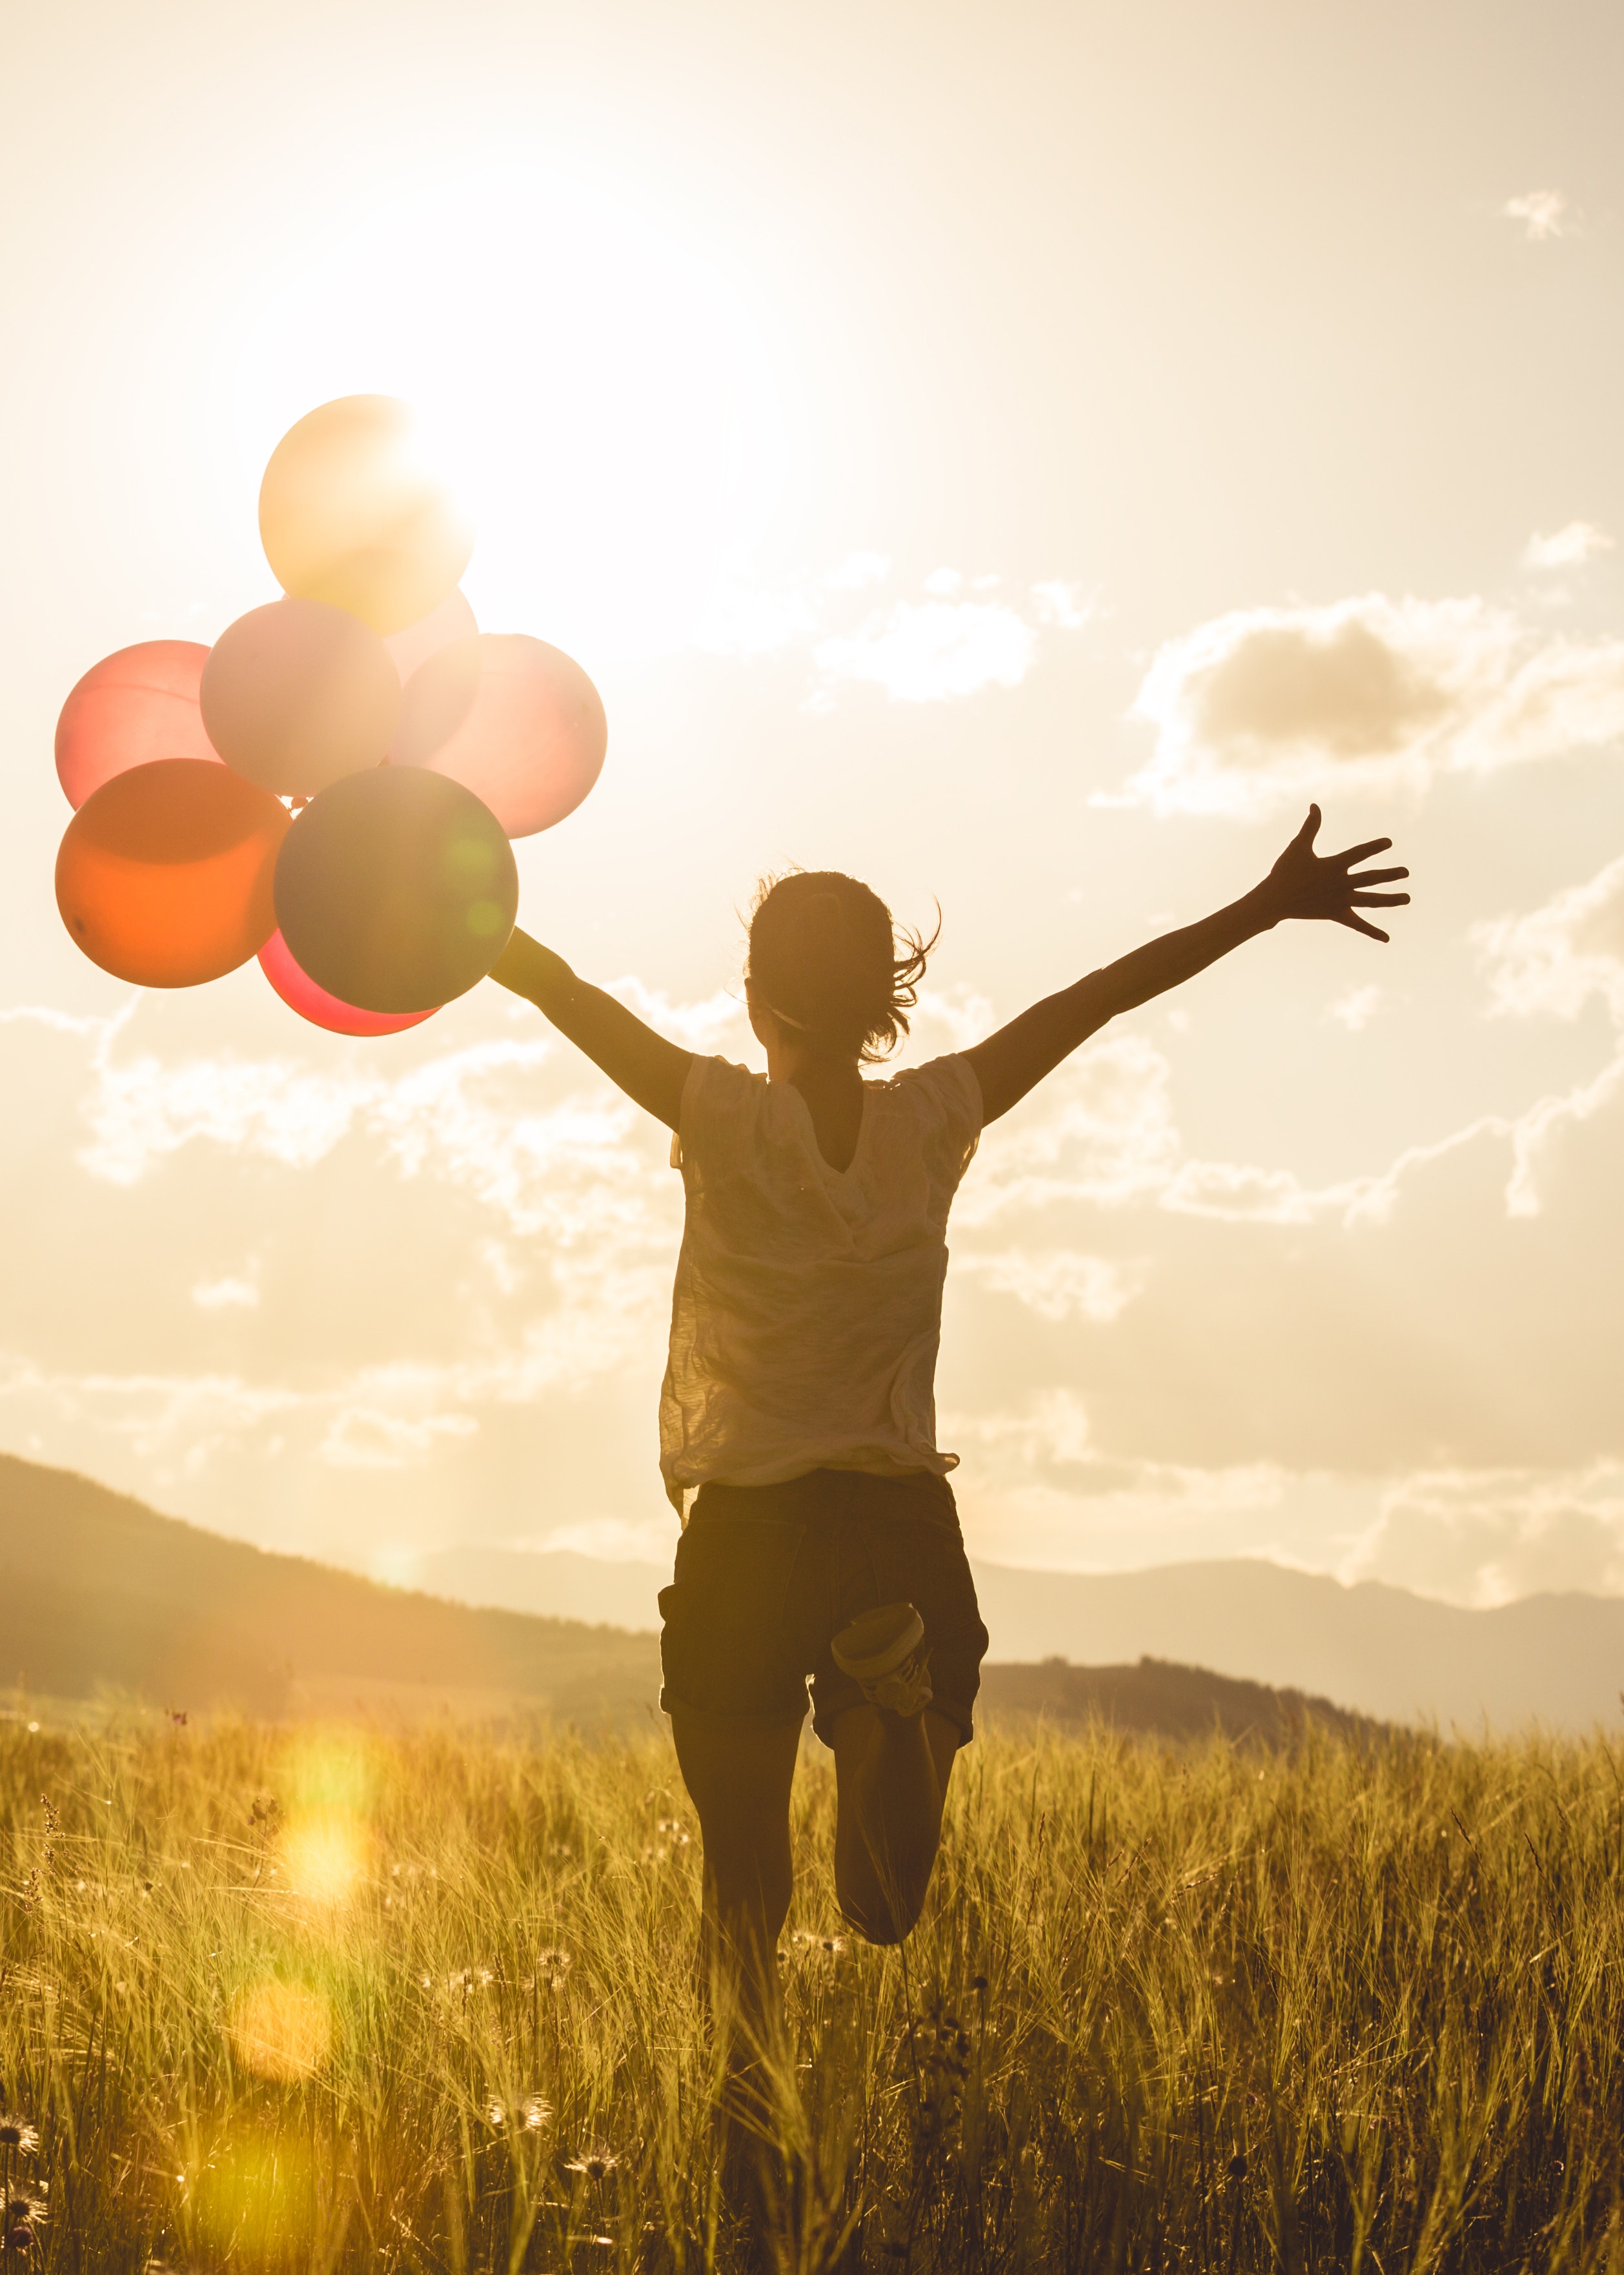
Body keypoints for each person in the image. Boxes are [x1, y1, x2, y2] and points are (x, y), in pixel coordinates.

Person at [485, 803, 1407, 2236]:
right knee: (888, 1907)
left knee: (745, 1913)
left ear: (755, 998)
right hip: (894, 1535)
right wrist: (1262, 903)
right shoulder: (936, 1118)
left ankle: (757, 2204)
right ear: (886, 997)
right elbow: (1098, 997)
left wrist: (382, 852)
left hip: (743, 1531)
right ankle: (889, 1687)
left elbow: (545, 981)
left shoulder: (720, 1113)